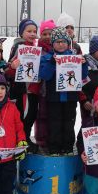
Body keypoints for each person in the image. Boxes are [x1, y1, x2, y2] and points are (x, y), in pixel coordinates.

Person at [39, 27, 88, 155]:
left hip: (70, 98)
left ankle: (67, 147)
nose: (61, 44)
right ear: (52, 43)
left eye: (63, 41)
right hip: (54, 98)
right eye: (57, 42)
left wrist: (83, 64)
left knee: (69, 123)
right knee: (54, 124)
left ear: (68, 42)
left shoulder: (74, 57)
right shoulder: (47, 58)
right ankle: (54, 148)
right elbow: (44, 76)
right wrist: (51, 63)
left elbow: (82, 76)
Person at [6, 19, 40, 151]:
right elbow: (8, 69)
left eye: (34, 31)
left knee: (31, 115)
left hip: (33, 88)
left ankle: (25, 138)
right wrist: (13, 66)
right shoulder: (18, 46)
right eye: (29, 31)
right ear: (21, 33)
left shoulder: (36, 48)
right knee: (22, 117)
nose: (32, 34)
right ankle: (20, 140)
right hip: (22, 89)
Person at [35, 19, 56, 152]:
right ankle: (42, 141)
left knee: (53, 116)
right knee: (41, 116)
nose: (48, 37)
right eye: (45, 34)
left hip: (56, 90)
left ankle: (53, 139)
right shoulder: (37, 50)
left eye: (50, 34)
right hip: (42, 89)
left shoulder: (60, 48)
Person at [81, 36, 98, 117]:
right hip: (89, 106)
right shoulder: (84, 65)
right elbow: (79, 86)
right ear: (93, 51)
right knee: (89, 127)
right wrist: (84, 101)